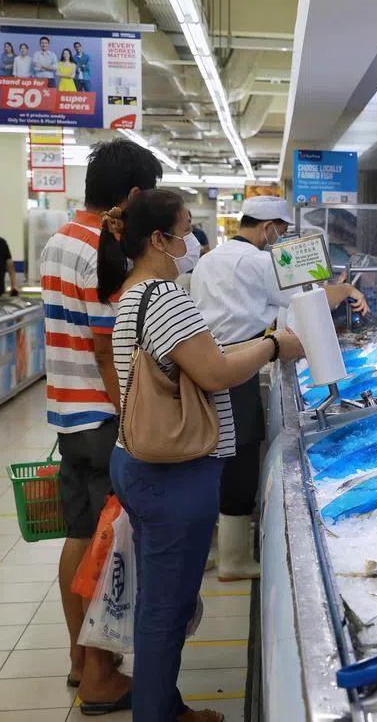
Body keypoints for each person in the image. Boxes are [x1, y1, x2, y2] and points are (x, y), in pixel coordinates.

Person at [97, 189, 304, 722]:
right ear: (159, 240)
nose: (194, 241)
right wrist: (275, 345)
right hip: (171, 472)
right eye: (186, 230)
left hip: (146, 464)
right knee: (167, 609)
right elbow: (213, 374)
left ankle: (167, 704)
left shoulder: (137, 292)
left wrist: (255, 342)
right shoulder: (164, 297)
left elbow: (198, 360)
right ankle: (156, 714)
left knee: (165, 601)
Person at [40, 139, 162, 715]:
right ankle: (99, 675)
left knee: (83, 533)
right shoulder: (100, 247)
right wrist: (131, 412)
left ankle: (80, 658)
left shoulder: (61, 239)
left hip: (69, 409)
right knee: (107, 543)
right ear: (133, 195)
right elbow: (103, 337)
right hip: (102, 413)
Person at [190, 196, 366, 580]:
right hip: (237, 366)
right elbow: (307, 300)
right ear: (268, 228)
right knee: (239, 457)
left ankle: (204, 551)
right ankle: (234, 560)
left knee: (209, 458)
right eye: (281, 232)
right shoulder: (258, 261)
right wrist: (348, 291)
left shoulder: (210, 259)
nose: (280, 239)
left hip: (203, 363)